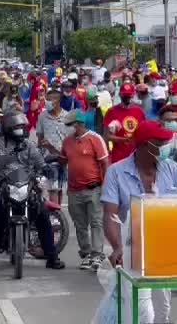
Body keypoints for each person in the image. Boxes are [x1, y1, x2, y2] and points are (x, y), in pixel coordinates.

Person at [101, 121, 177, 323]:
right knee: (142, 312)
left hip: (163, 251)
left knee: (162, 310)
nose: (167, 146)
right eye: (161, 142)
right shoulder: (116, 172)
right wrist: (117, 247)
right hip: (131, 251)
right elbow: (110, 215)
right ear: (146, 145)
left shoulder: (172, 169)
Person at [0, 111, 65, 269]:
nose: (20, 130)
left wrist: (45, 168)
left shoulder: (29, 144)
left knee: (43, 214)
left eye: (22, 127)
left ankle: (51, 256)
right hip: (5, 182)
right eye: (17, 127)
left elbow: (39, 160)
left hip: (27, 183)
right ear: (8, 128)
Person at [60, 109, 108, 270]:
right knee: (80, 224)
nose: (67, 127)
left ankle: (97, 254)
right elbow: (63, 160)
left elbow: (104, 163)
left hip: (93, 188)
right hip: (74, 190)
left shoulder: (95, 139)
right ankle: (86, 253)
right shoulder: (67, 141)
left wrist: (106, 185)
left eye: (70, 124)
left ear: (79, 124)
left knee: (96, 222)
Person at [37, 88, 70, 204]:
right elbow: (39, 138)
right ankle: (54, 216)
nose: (48, 102)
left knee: (60, 188)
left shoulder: (67, 117)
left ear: (58, 101)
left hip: (64, 158)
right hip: (49, 159)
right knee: (53, 189)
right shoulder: (42, 117)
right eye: (47, 99)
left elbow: (71, 140)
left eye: (51, 100)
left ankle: (58, 216)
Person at [103, 83, 146, 165]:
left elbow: (144, 133)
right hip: (119, 158)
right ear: (119, 95)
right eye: (125, 95)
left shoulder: (139, 111)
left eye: (129, 95)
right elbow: (106, 136)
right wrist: (123, 140)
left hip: (136, 157)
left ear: (133, 95)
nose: (127, 97)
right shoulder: (112, 112)